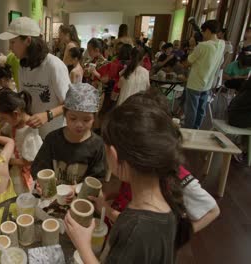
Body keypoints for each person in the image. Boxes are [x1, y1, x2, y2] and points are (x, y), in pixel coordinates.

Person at [65, 98, 193, 264]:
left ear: (113, 154)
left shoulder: (137, 231)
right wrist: (107, 209)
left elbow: (134, 233)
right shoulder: (162, 200)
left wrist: (82, 245)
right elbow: (133, 226)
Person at [98, 91, 220, 233]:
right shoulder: (137, 161)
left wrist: (176, 240)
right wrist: (109, 196)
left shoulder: (177, 177)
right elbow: (127, 193)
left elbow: (212, 210)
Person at [0, 17, 71, 139]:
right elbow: (24, 99)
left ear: (28, 40)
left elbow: (69, 103)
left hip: (53, 135)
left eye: (13, 42)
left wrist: (47, 115)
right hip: (32, 134)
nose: (10, 48)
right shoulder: (22, 65)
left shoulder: (54, 65)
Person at [31, 83, 106, 191]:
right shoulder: (52, 139)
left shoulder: (97, 145)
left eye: (86, 120)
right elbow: (39, 167)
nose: (79, 124)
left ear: (94, 117)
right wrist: (39, 182)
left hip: (79, 201)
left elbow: (97, 178)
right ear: (65, 114)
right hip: (52, 195)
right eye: (73, 118)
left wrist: (75, 188)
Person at [0, 90, 43, 194]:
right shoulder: (14, 123)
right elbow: (3, 131)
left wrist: (6, 159)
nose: (3, 122)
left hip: (24, 174)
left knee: (23, 196)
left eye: (4, 118)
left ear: (15, 114)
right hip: (15, 169)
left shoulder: (30, 131)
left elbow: (29, 161)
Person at [183, 20, 225, 129]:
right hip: (208, 83)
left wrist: (192, 50)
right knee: (201, 109)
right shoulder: (222, 44)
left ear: (208, 30)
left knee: (191, 110)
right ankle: (196, 130)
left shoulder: (202, 46)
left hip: (195, 83)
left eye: (203, 31)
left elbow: (188, 61)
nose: (202, 34)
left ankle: (188, 132)